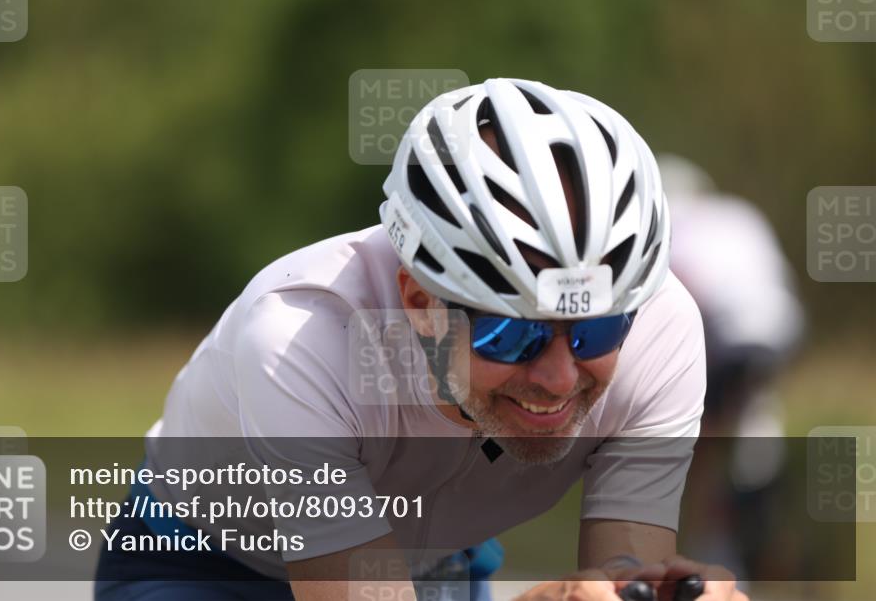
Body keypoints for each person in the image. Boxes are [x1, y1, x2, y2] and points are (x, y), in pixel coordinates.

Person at [94, 78, 748, 601]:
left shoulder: (661, 327)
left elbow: (622, 571)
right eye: (512, 333)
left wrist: (653, 592)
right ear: (419, 303)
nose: (558, 377)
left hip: (437, 560)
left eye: (597, 329)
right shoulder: (302, 336)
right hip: (208, 564)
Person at [657, 155, 805, 581]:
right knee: (751, 417)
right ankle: (756, 508)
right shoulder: (740, 213)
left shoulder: (675, 224)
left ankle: (717, 547)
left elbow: (680, 299)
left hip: (729, 336)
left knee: (703, 441)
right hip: (782, 325)